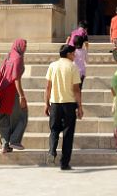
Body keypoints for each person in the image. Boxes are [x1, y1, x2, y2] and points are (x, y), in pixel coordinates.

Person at [45, 43, 83, 171]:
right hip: (69, 104)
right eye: (73, 54)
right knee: (68, 133)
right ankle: (64, 163)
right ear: (68, 54)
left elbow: (48, 87)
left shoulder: (52, 66)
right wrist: (80, 106)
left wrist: (46, 103)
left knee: (54, 129)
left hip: (55, 103)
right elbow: (76, 89)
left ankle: (51, 151)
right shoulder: (73, 67)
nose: (75, 56)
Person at [0, 39, 28, 153]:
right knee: (22, 115)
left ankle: (5, 145)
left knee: (4, 118)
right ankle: (14, 140)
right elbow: (16, 79)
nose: (25, 48)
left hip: (2, 90)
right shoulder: (18, 58)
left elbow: (1, 73)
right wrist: (21, 97)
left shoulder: (9, 56)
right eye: (24, 45)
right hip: (11, 91)